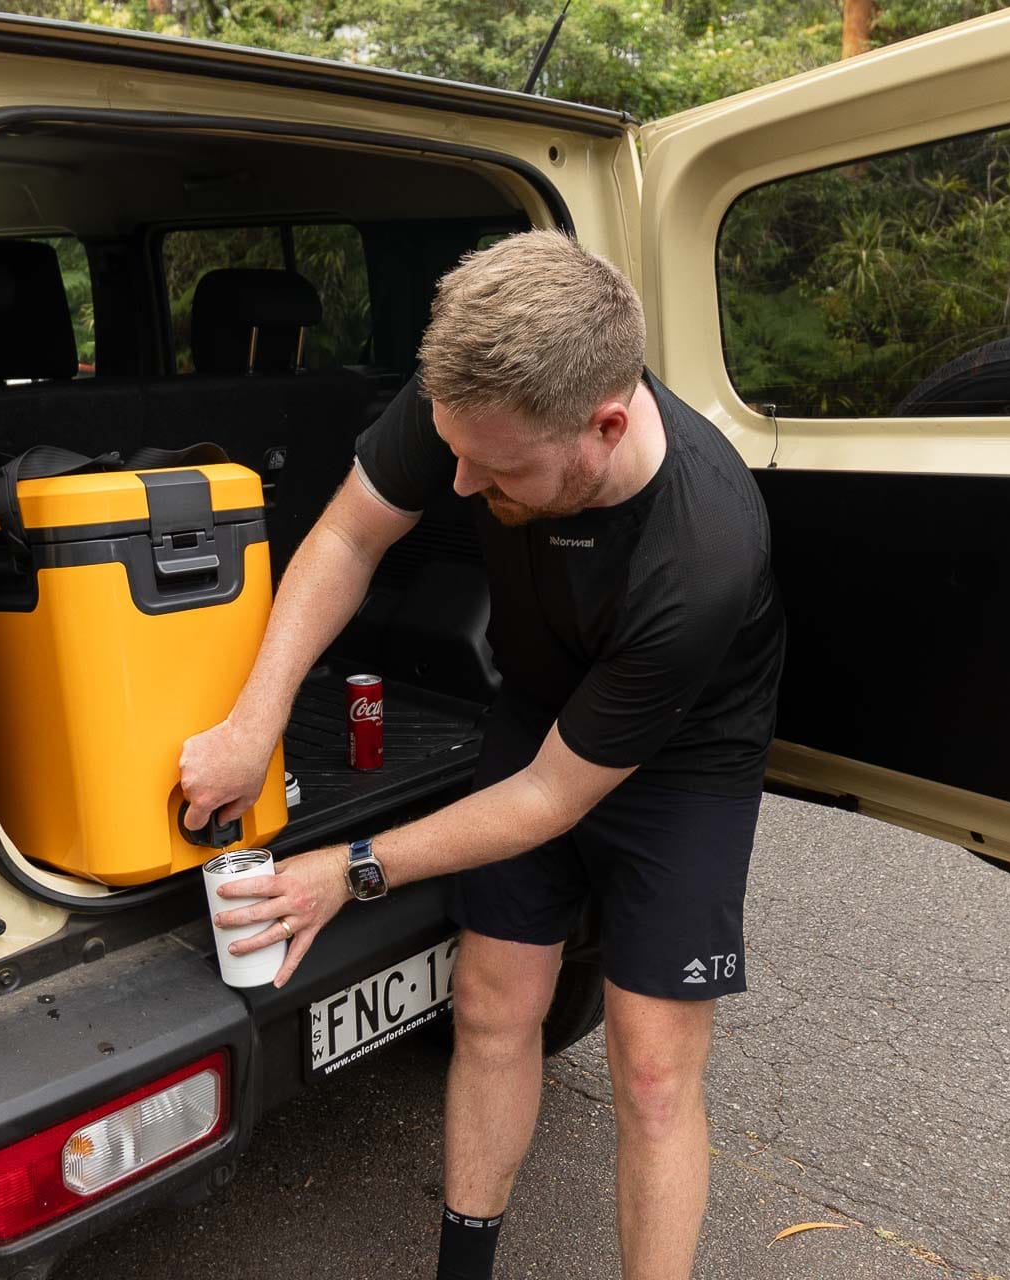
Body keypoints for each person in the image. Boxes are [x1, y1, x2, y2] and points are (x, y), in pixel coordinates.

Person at [178, 229, 785, 1280]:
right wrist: (251, 722)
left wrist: (349, 868)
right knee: (496, 1003)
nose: (456, 483)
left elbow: (552, 796)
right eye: (450, 447)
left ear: (603, 424)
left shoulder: (702, 551)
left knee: (649, 1070)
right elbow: (349, 536)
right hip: (538, 703)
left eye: (496, 466)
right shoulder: (476, 392)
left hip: (684, 758)